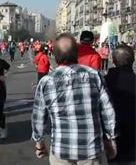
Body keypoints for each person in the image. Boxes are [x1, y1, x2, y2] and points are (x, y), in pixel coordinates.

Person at [31, 33, 117, 165]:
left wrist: (39, 144)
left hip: (61, 150)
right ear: (76, 53)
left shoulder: (46, 82)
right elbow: (108, 111)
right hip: (91, 150)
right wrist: (111, 139)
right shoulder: (94, 75)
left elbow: (39, 117)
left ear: (55, 55)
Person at [105, 45, 136, 164]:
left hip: (110, 144)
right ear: (132, 60)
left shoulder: (104, 82)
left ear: (113, 61)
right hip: (132, 147)